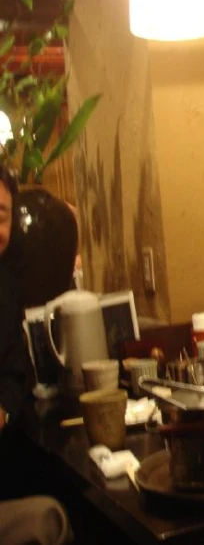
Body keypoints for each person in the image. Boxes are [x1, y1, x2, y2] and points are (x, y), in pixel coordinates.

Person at [0, 168, 73, 545]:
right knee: (49, 519)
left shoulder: (5, 286)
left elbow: (17, 373)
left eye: (1, 215)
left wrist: (4, 410)